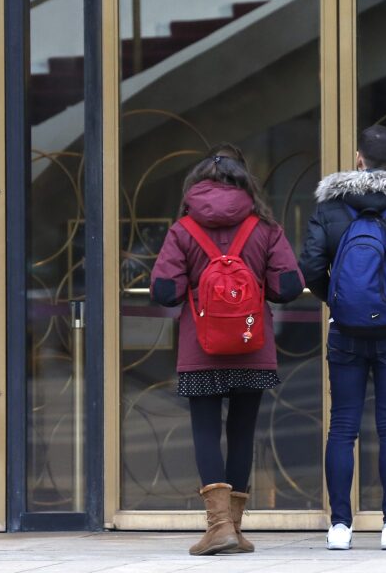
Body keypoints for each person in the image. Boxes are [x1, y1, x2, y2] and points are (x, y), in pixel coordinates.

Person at [150, 143, 305, 556]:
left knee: (205, 430)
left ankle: (218, 527)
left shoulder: (182, 230)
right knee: (241, 433)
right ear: (245, 183)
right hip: (252, 343)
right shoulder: (266, 228)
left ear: (196, 185)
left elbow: (165, 292)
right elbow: (288, 286)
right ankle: (233, 529)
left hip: (201, 347)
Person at [299, 124, 386, 550]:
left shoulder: (330, 208)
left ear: (358, 158)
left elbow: (309, 268)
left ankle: (339, 528)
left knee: (342, 428)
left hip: (343, 330)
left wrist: (339, 302)